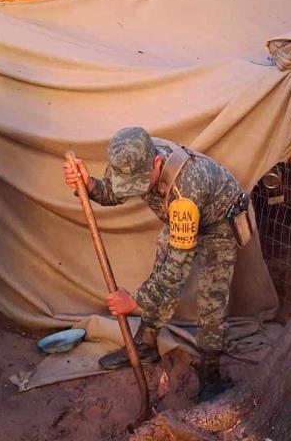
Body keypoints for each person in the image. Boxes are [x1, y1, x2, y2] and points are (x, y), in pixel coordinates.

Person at [62, 127, 249, 401]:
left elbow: (177, 269)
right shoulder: (131, 157)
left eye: (140, 183)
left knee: (211, 301)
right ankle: (146, 347)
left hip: (217, 223)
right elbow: (112, 193)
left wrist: (135, 301)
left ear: (157, 163)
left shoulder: (186, 189)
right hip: (179, 218)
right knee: (159, 276)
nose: (135, 190)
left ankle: (212, 376)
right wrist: (88, 184)